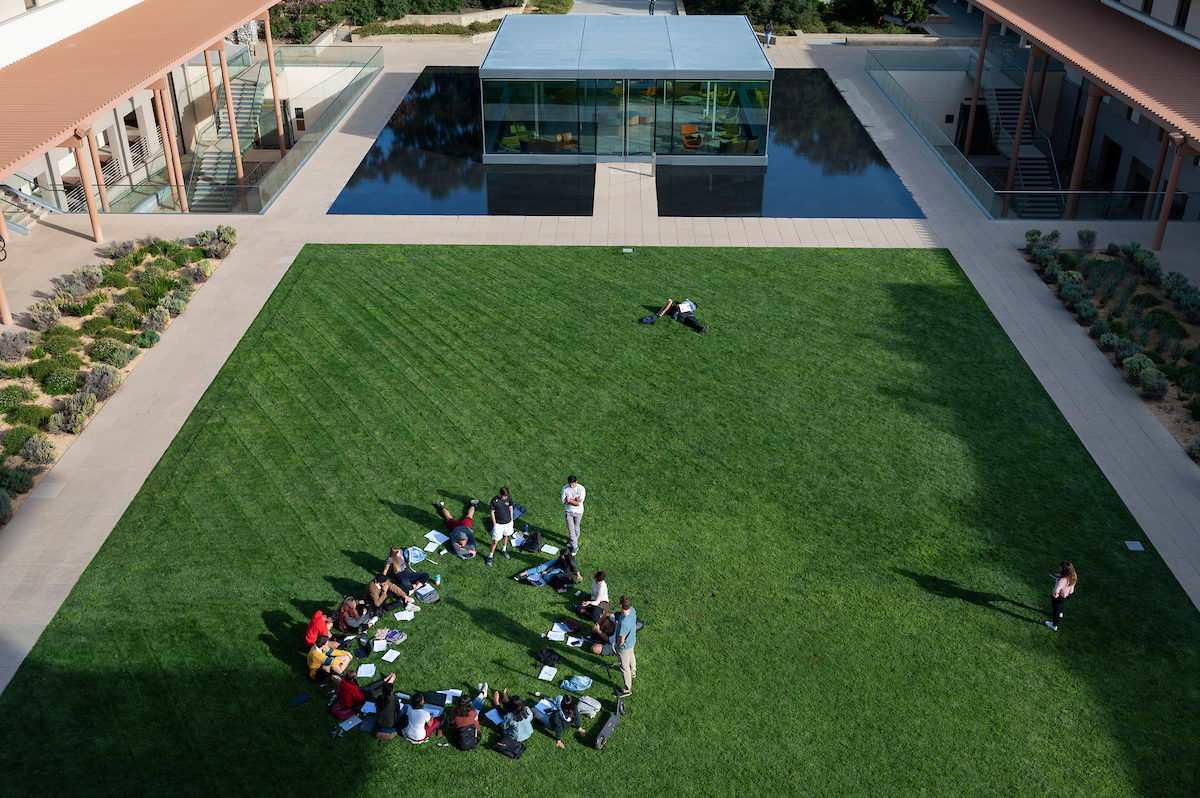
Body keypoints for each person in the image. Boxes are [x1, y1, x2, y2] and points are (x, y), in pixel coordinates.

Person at [591, 596, 637, 697]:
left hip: (624, 646)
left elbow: (621, 639)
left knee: (624, 667)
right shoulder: (632, 610)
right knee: (631, 655)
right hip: (632, 640)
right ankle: (633, 672)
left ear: (621, 605)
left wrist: (617, 646)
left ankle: (627, 690)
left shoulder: (623, 622)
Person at [515, 551, 582, 593]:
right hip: (557, 565)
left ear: (565, 556)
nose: (560, 556)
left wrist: (578, 575)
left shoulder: (571, 561)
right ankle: (521, 574)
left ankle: (536, 576)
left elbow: (575, 568)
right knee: (540, 568)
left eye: (562, 555)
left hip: (562, 569)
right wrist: (546, 571)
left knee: (547, 578)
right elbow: (554, 565)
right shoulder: (560, 558)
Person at [486, 486, 515, 567]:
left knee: (506, 536)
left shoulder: (508, 499)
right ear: (500, 494)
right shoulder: (494, 501)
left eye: (506, 496)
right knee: (495, 541)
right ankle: (490, 557)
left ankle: (504, 550)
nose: (506, 498)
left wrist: (511, 518)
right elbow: (492, 513)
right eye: (504, 496)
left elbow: (511, 508)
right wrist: (494, 524)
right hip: (498, 525)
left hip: (508, 523)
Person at [1045, 561, 1078, 631]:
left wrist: (1055, 596)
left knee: (1055, 612)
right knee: (1061, 604)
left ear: (1064, 570)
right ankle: (1061, 613)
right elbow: (1071, 587)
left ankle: (1054, 625)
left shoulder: (1062, 581)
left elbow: (1056, 590)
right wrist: (1060, 577)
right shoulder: (1074, 575)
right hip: (1067, 596)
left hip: (1059, 597)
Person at [561, 475, 586, 555]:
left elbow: (578, 503)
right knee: (571, 529)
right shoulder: (565, 488)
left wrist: (568, 499)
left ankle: (572, 541)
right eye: (570, 485)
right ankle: (575, 547)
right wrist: (573, 500)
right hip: (569, 512)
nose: (571, 486)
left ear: (576, 482)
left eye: (573, 485)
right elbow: (563, 502)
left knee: (576, 527)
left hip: (578, 512)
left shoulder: (581, 489)